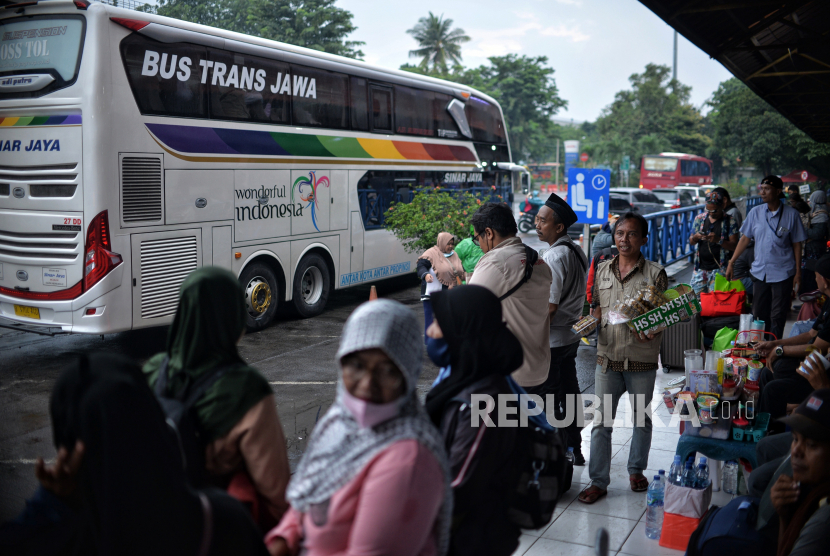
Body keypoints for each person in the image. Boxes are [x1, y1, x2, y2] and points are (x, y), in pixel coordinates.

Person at [0, 353, 268, 556]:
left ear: (67, 449)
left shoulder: (61, 540)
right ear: (153, 419)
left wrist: (49, 507)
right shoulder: (222, 520)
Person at [265, 299, 450, 556]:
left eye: (386, 370)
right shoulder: (338, 422)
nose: (367, 384)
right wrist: (284, 539)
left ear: (407, 373)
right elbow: (304, 499)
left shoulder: (408, 458)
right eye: (357, 365)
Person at [143, 267, 290, 530]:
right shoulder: (246, 390)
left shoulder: (151, 372)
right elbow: (276, 497)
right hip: (212, 533)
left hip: (152, 525)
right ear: (233, 318)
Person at [424, 286, 525, 556]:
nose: (430, 332)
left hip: (469, 538)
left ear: (462, 333)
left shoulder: (485, 401)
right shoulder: (462, 380)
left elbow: (457, 485)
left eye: (437, 323)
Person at [578, 212, 668, 504]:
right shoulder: (602, 269)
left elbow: (663, 317)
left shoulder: (655, 274)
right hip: (607, 359)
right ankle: (598, 481)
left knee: (642, 421)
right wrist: (590, 323)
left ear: (643, 239)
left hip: (641, 360)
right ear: (613, 237)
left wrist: (653, 328)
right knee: (601, 424)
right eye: (620, 233)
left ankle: (636, 470)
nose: (624, 239)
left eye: (631, 234)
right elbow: (597, 309)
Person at [468, 202, 553, 390]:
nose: (479, 245)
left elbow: (466, 308)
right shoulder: (537, 260)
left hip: (509, 375)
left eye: (477, 239)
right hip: (539, 369)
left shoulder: (496, 262)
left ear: (488, 233)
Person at [535, 193, 589, 464]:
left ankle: (556, 457)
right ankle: (575, 449)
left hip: (554, 340)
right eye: (536, 219)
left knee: (551, 400)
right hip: (571, 336)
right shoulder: (577, 250)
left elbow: (550, 306)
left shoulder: (554, 256)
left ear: (559, 227)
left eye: (543, 221)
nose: (537, 225)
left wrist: (530, 334)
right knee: (570, 394)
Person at [727, 175, 807, 340]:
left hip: (783, 272)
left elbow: (797, 244)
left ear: (778, 191)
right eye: (761, 188)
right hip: (760, 272)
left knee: (778, 314)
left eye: (767, 189)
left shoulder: (792, 215)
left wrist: (798, 272)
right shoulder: (755, 212)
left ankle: (774, 348)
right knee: (759, 313)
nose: (762, 192)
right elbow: (744, 239)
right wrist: (731, 262)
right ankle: (759, 348)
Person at [755, 254, 830, 420]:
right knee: (767, 371)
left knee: (774, 385)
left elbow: (816, 347)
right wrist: (775, 343)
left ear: (825, 281)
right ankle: (763, 425)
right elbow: (811, 334)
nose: (814, 279)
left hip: (821, 374)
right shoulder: (828, 302)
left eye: (816, 276)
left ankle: (772, 431)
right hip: (813, 362)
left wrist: (781, 350)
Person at [770, 389, 830, 556]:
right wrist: (785, 517)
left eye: (811, 444)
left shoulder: (823, 524)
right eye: (795, 439)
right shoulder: (810, 492)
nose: (796, 451)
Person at [689, 191, 740, 294]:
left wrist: (718, 240)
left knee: (715, 302)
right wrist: (695, 237)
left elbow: (735, 246)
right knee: (694, 302)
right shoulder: (699, 219)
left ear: (722, 206)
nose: (711, 213)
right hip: (700, 269)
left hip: (720, 269)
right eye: (708, 210)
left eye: (715, 210)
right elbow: (691, 242)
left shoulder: (730, 221)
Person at [417, 232, 464, 341]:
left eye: (452, 244)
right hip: (432, 293)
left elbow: (460, 270)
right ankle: (430, 343)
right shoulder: (431, 254)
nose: (451, 246)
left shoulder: (454, 254)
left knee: (447, 319)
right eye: (448, 244)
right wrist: (426, 275)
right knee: (430, 319)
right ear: (441, 243)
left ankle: (444, 343)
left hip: (449, 292)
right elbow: (421, 266)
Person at [801, 191, 830, 293]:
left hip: (814, 251)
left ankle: (812, 304)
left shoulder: (821, 215)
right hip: (811, 250)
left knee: (811, 278)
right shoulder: (817, 212)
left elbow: (817, 234)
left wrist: (803, 229)